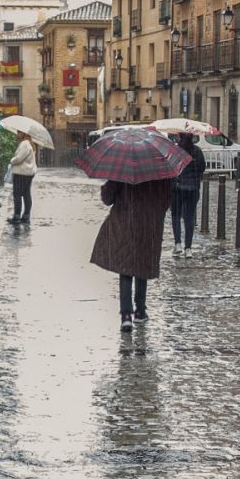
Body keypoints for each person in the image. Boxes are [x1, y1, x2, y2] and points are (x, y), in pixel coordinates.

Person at [90, 177, 173, 332]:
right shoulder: (159, 175)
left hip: (125, 222)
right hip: (148, 224)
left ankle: (126, 315)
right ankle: (140, 310)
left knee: (126, 267)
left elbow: (108, 198)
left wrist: (108, 186)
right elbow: (166, 200)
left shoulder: (122, 173)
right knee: (142, 263)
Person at [169, 132, 204, 256]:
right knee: (189, 217)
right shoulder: (197, 151)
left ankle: (177, 244)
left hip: (177, 188)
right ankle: (188, 248)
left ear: (179, 137)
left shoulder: (175, 151)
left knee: (176, 216)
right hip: (193, 188)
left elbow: (169, 168)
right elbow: (202, 168)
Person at [8, 131, 37, 224]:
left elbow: (19, 158)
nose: (17, 134)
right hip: (27, 173)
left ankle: (17, 216)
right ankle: (26, 216)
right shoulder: (30, 144)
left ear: (24, 134)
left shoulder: (25, 144)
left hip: (21, 173)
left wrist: (12, 160)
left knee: (17, 194)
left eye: (19, 132)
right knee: (26, 194)